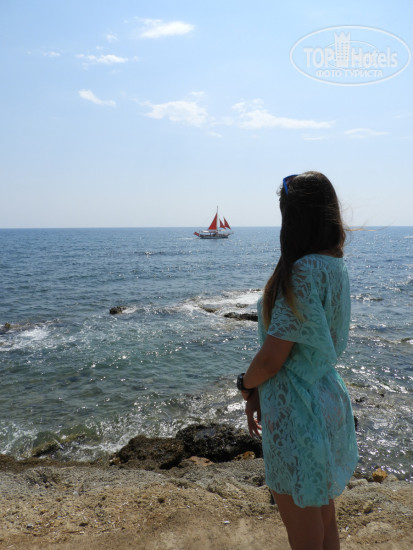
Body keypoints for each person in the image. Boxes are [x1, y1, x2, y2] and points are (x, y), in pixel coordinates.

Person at [237, 171, 358, 550]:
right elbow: (302, 348)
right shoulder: (334, 265)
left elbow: (273, 359)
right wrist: (260, 392)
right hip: (324, 396)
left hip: (299, 411)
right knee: (323, 516)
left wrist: (246, 385)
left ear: (293, 218)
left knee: (305, 531)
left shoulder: (303, 271)